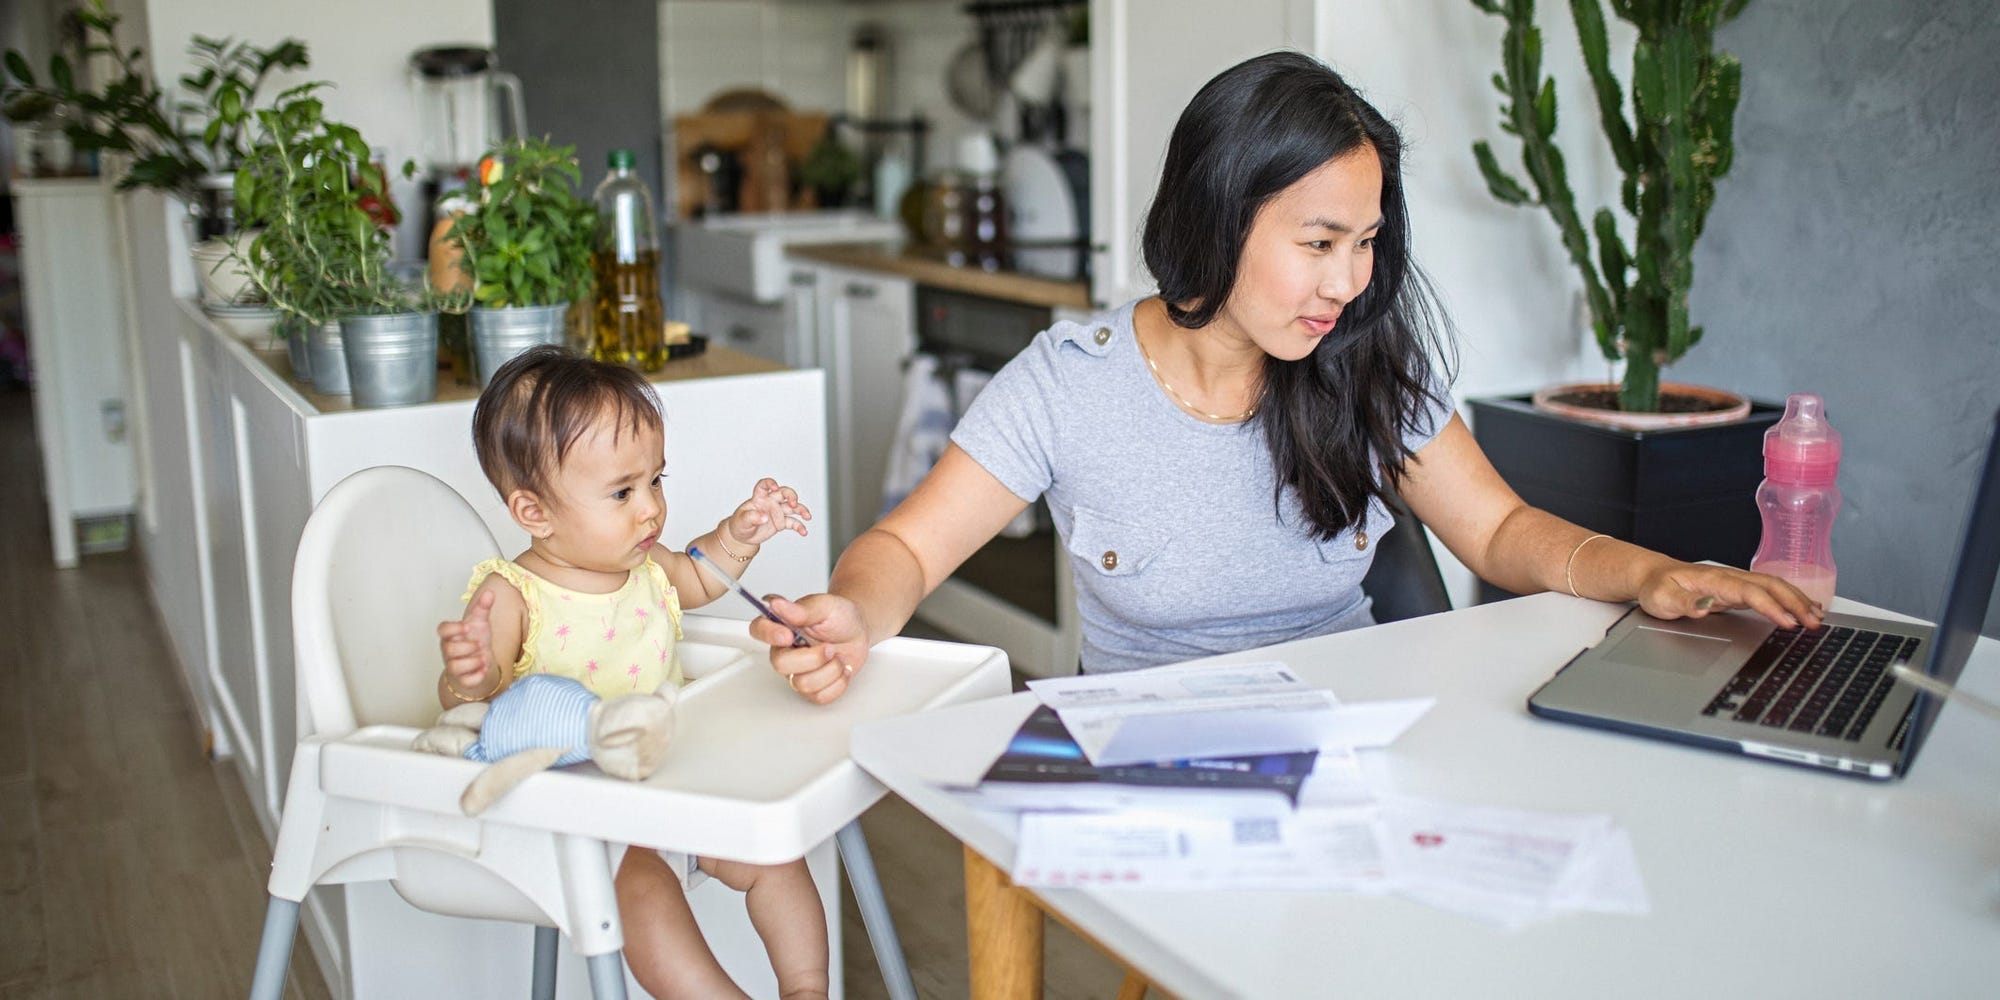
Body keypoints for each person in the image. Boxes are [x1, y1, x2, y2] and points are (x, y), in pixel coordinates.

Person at [753, 51, 1820, 700]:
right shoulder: (1068, 382)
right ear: (1217, 214)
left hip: (1349, 739)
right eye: (1317, 243)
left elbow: (1496, 533)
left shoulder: (1357, 363)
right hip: (1156, 759)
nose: (1349, 281)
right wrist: (853, 607)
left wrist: (1644, 573)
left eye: (1363, 242)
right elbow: (905, 545)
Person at [434, 345, 828, 999]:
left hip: (672, 791)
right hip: (578, 818)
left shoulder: (647, 570)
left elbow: (704, 574)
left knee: (773, 851)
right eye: (622, 491)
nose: (650, 508)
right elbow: (478, 702)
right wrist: (469, 674)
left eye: (655, 481)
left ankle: (807, 989)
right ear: (535, 513)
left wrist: (743, 530)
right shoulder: (512, 595)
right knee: (644, 894)